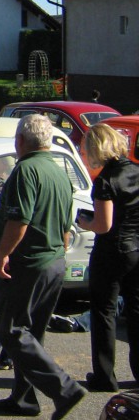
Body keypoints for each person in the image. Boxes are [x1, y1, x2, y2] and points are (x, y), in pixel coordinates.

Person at [0, 113, 86, 419]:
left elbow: (19, 219)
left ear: (20, 140)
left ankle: (65, 390)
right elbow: (67, 219)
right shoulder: (58, 169)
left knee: (11, 331)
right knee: (32, 335)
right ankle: (24, 399)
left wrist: (2, 254)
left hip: (29, 263)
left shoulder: (26, 170)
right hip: (53, 260)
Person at [77, 123, 139, 392]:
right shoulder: (136, 170)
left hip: (112, 250)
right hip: (136, 248)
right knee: (136, 311)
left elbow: (103, 225)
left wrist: (84, 222)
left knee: (103, 312)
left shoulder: (105, 180)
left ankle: (104, 376)